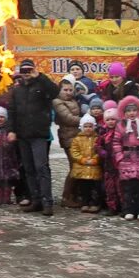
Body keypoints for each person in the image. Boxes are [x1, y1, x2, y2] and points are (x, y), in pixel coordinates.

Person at [6, 58, 59, 216]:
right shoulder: (17, 90)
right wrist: (11, 130)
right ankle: (36, 200)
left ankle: (47, 202)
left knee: (41, 168)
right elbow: (12, 112)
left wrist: (40, 76)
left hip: (39, 135)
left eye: (29, 70)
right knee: (28, 169)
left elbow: (55, 92)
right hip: (22, 135)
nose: (26, 73)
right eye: (24, 71)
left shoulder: (41, 85)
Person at [113, 95, 139, 220]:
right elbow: (116, 142)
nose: (131, 113)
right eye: (128, 111)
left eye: (134, 110)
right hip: (126, 159)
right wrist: (119, 156)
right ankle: (128, 209)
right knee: (128, 187)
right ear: (124, 113)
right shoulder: (120, 126)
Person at [53, 76, 81, 208]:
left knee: (77, 166)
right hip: (68, 137)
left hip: (77, 137)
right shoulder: (57, 102)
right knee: (74, 167)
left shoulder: (74, 100)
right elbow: (68, 118)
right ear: (60, 90)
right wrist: (86, 120)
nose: (68, 92)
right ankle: (66, 196)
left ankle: (75, 195)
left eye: (70, 90)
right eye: (65, 90)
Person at [69, 113, 103, 212]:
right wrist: (81, 159)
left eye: (90, 126)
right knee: (84, 188)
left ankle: (95, 203)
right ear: (82, 127)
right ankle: (85, 202)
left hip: (94, 168)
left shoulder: (97, 139)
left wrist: (95, 159)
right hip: (82, 169)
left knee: (95, 188)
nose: (88, 128)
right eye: (86, 126)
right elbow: (74, 152)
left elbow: (99, 150)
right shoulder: (77, 139)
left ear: (94, 127)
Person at [97, 108, 122, 216]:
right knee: (109, 187)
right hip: (108, 164)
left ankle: (122, 206)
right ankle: (112, 206)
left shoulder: (121, 132)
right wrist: (101, 151)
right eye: (108, 120)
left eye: (113, 119)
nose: (111, 122)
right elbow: (97, 145)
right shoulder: (103, 133)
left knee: (120, 187)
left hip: (119, 164)